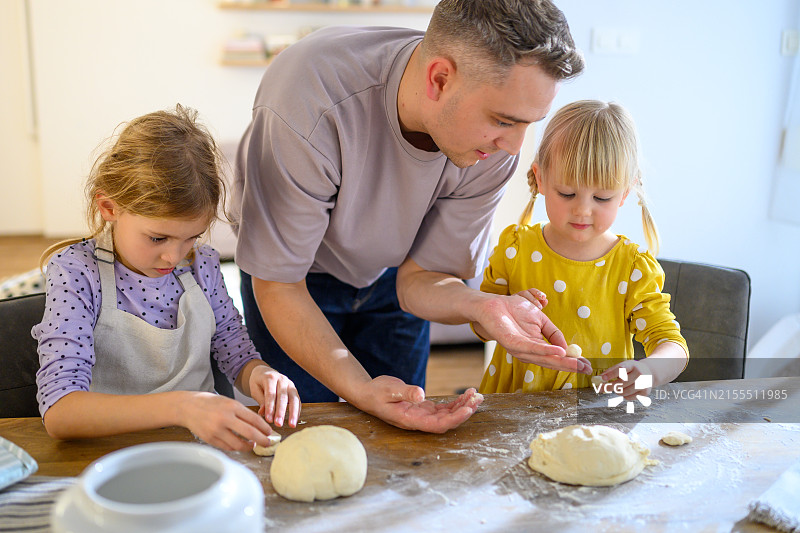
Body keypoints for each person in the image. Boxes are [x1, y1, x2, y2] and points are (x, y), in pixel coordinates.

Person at [232, 0, 587, 433]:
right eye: (502, 120)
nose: (515, 147)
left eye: (529, 124)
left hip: (390, 274)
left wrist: (483, 306)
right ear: (439, 79)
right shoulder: (307, 101)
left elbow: (424, 278)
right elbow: (279, 284)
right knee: (301, 437)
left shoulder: (493, 147)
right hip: (295, 282)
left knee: (401, 431)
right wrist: (360, 389)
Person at [32, 105, 300, 452]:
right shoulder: (77, 272)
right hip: (110, 455)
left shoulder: (201, 264)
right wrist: (183, 406)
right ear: (109, 207)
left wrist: (260, 374)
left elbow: (235, 352)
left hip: (200, 450)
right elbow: (60, 412)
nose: (174, 257)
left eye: (192, 236)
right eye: (157, 238)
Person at [478, 100, 689, 398]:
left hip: (595, 417)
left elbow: (672, 345)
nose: (583, 210)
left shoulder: (631, 268)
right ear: (540, 179)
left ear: (624, 194)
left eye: (602, 198)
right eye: (567, 193)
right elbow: (481, 326)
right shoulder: (515, 249)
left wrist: (649, 371)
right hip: (512, 408)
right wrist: (505, 312)